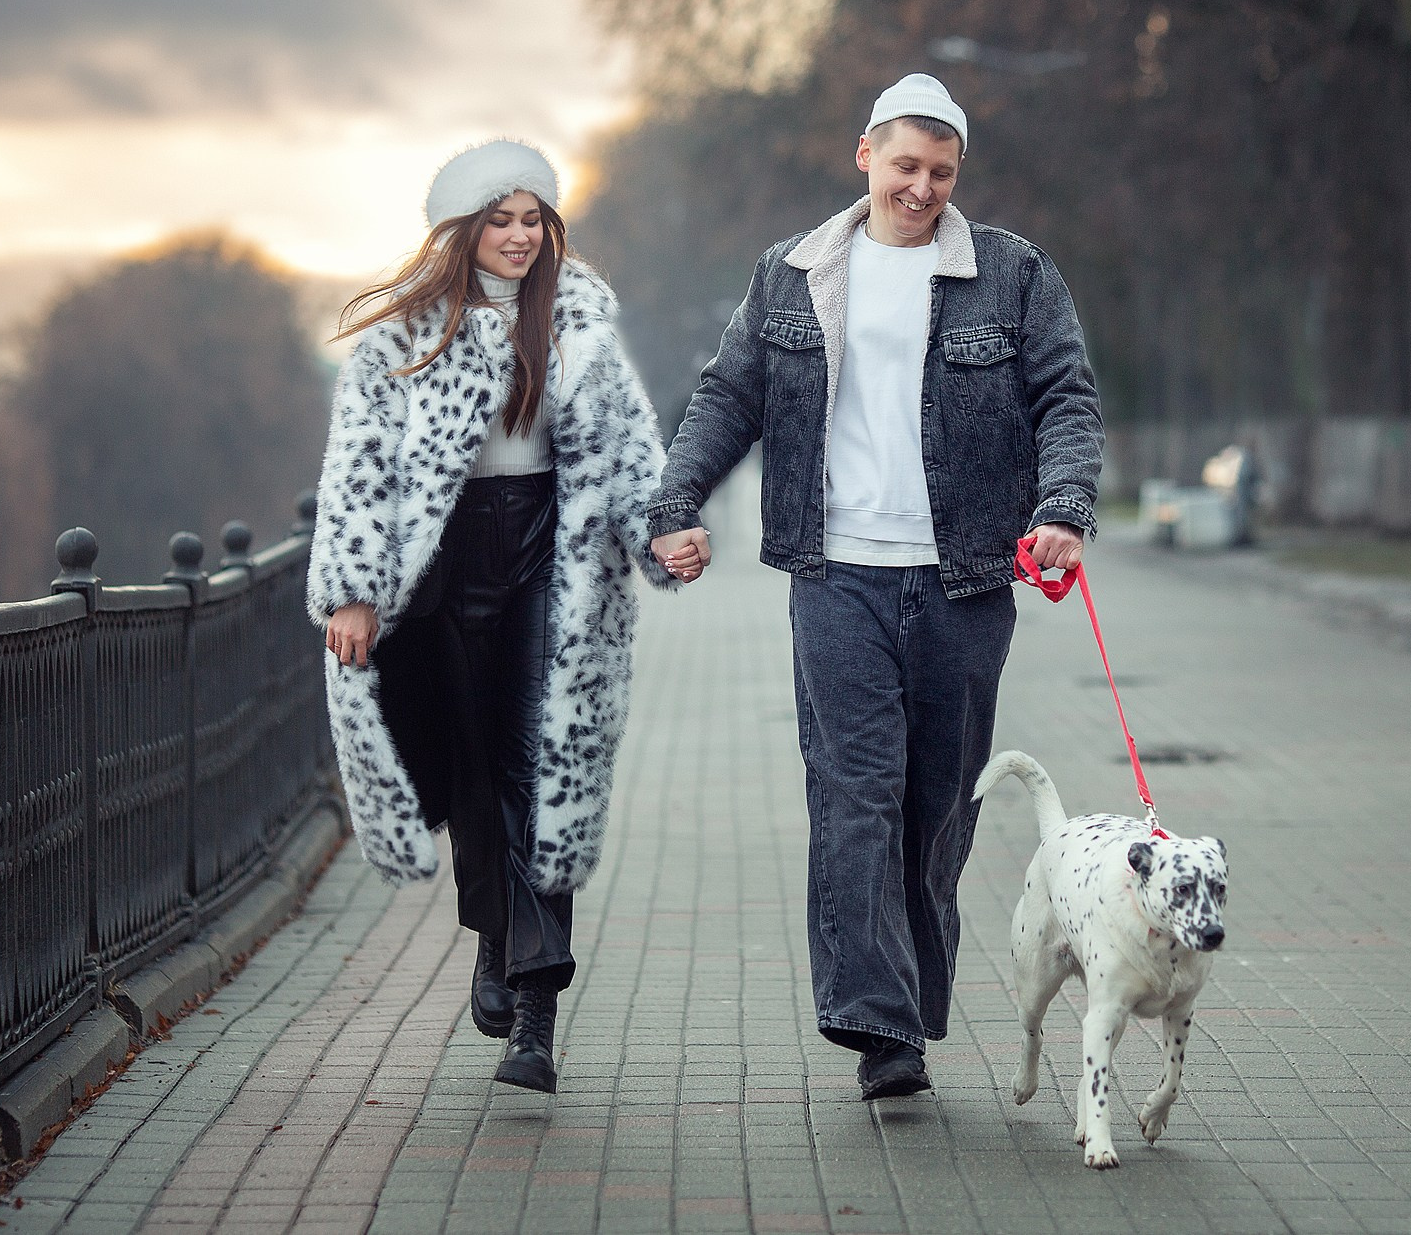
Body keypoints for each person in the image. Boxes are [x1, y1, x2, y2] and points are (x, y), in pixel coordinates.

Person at [647, 75, 1105, 1099]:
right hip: (836, 571)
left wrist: (1062, 509)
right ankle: (880, 1029)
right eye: (905, 166)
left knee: (936, 807)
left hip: (966, 578)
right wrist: (675, 503)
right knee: (855, 792)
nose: (921, 188)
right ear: (865, 155)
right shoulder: (794, 273)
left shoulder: (1012, 273)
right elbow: (729, 396)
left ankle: (907, 1001)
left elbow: (1064, 396)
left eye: (941, 173)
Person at [307, 139, 679, 1094]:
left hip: (550, 561)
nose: (519, 237)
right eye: (500, 220)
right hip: (441, 572)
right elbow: (357, 468)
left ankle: (538, 1010)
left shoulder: (580, 316)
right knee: (473, 771)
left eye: (533, 221)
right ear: (464, 230)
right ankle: (497, 943)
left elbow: (629, 447)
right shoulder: (405, 335)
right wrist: (350, 588)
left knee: (541, 767)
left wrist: (664, 533)